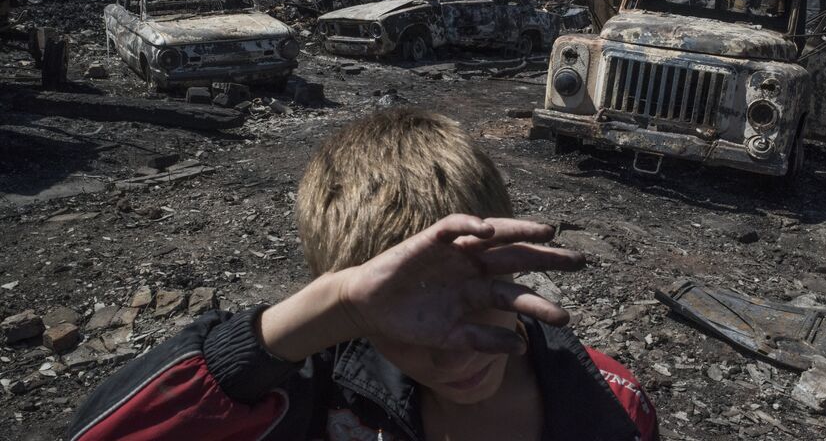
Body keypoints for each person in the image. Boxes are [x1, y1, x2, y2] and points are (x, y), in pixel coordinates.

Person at [69, 108, 659, 441]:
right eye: (406, 320)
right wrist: (331, 311)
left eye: (469, 296)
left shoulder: (610, 403)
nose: (453, 356)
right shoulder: (315, 391)